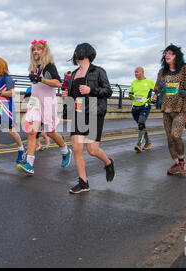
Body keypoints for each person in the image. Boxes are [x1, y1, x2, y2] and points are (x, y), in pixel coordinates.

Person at [62, 43, 115, 194]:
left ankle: (108, 162)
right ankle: (83, 182)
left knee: (92, 149)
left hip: (93, 110)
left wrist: (91, 90)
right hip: (77, 112)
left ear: (85, 53)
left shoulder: (98, 71)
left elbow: (108, 91)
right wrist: (67, 96)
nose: (74, 53)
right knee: (77, 148)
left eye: (77, 50)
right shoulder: (73, 74)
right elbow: (73, 94)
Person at [17, 40, 72, 175]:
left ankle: (65, 150)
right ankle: (29, 163)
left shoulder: (49, 66)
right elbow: (36, 86)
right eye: (34, 49)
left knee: (51, 132)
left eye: (39, 49)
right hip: (35, 103)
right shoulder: (34, 67)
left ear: (44, 51)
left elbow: (58, 83)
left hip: (47, 102)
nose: (36, 51)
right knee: (32, 132)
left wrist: (41, 79)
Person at [154, 44, 186, 176]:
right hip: (166, 108)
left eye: (171, 53)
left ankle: (182, 162)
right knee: (169, 138)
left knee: (176, 135)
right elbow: (156, 89)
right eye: (166, 53)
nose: (167, 55)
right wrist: (160, 86)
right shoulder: (162, 72)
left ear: (177, 55)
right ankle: (176, 163)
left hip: (181, 107)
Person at [129, 66, 155, 152]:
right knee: (142, 126)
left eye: (137, 72)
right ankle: (148, 142)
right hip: (135, 108)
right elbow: (130, 94)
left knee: (141, 125)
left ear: (142, 72)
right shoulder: (134, 82)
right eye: (134, 72)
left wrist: (154, 97)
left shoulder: (150, 82)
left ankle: (139, 145)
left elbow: (158, 91)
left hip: (145, 106)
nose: (135, 74)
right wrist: (131, 96)